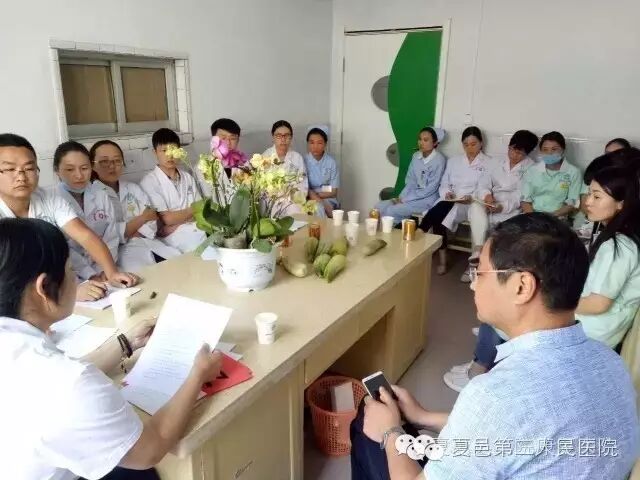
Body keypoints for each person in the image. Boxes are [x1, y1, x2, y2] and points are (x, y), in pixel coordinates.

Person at [351, 213, 639, 480]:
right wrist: (424, 417)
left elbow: (505, 420)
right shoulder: (611, 362)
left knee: (368, 422)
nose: (473, 285)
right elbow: (514, 438)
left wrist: (390, 432)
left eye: (480, 272)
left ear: (521, 286)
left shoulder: (496, 395)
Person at [0, 217, 223, 480]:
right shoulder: (70, 383)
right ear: (44, 288)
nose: (75, 279)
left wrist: (125, 343)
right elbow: (150, 448)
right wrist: (198, 374)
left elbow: (56, 383)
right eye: (71, 270)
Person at [445, 150, 640, 391]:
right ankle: (488, 365)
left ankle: (479, 371)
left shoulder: (619, 247)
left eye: (596, 196)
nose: (587, 201)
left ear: (621, 203)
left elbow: (599, 304)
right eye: (589, 194)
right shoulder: (614, 237)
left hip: (597, 326)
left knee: (507, 307)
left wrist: (550, 300)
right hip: (594, 315)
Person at [0, 133, 138, 302]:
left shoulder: (49, 199)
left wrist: (112, 272)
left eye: (29, 168)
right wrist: (65, 294)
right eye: (10, 169)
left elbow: (85, 236)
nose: (21, 177)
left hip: (54, 286)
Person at [91, 140, 181, 272]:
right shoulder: (92, 197)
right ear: (92, 165)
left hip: (150, 242)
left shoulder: (133, 188)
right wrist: (141, 218)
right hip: (121, 252)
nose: (112, 166)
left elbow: (152, 219)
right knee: (145, 275)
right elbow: (107, 235)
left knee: (178, 265)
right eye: (104, 161)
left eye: (117, 160)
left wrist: (130, 231)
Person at [462, 130, 538, 282]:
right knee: (476, 207)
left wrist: (502, 206)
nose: (513, 155)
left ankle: (484, 266)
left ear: (527, 153)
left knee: (494, 232)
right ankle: (477, 253)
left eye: (519, 153)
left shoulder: (532, 169)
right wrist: (487, 196)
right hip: (489, 203)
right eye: (511, 149)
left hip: (510, 209)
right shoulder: (495, 161)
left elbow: (522, 196)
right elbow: (483, 183)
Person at [418, 126, 490, 275]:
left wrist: (471, 197)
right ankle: (442, 259)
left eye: (473, 144)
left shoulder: (489, 163)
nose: (469, 148)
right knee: (439, 216)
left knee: (441, 214)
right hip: (451, 200)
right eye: (466, 145)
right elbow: (444, 183)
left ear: (481, 143)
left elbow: (485, 187)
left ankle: (420, 231)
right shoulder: (454, 161)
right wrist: (448, 193)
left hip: (470, 203)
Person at [52, 141, 120, 282]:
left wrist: (105, 269)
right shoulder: (51, 201)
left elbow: (112, 235)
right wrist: (90, 274)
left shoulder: (101, 194)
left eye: (84, 168)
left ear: (91, 167)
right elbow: (61, 247)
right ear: (57, 170)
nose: (79, 175)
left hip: (106, 268)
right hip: (71, 273)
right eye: (70, 169)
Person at [140, 128, 206, 253]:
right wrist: (191, 211)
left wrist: (176, 223)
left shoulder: (187, 177)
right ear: (155, 152)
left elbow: (201, 209)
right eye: (164, 150)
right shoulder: (149, 182)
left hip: (195, 230)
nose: (169, 155)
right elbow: (167, 219)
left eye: (173, 150)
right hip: (170, 239)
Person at [375, 127, 446, 225]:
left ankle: (391, 233)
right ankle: (380, 231)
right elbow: (410, 180)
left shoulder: (439, 160)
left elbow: (431, 189)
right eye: (420, 139)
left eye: (425, 140)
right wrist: (401, 197)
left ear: (435, 143)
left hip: (427, 200)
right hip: (410, 196)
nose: (421, 143)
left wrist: (406, 199)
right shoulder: (416, 156)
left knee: (392, 210)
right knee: (379, 207)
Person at [520, 131, 582, 218]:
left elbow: (572, 202)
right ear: (540, 151)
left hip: (558, 218)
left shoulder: (573, 172)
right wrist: (534, 218)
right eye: (545, 149)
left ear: (563, 149)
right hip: (532, 216)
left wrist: (551, 217)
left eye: (554, 149)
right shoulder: (532, 170)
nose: (549, 153)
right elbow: (525, 200)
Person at [262, 120, 308, 215]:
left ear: (291, 137)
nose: (283, 139)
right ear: (273, 137)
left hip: (292, 201)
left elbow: (303, 184)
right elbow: (261, 185)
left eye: (287, 135)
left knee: (296, 213)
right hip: (271, 200)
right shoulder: (265, 157)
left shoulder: (297, 158)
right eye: (279, 136)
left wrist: (290, 197)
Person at [304, 126, 340, 218]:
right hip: (308, 198)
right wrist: (317, 197)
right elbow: (304, 188)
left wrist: (317, 193)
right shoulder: (303, 161)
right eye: (312, 142)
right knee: (318, 208)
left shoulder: (331, 162)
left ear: (325, 144)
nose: (315, 147)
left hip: (328, 198)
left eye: (319, 143)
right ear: (308, 144)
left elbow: (333, 191)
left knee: (319, 208)